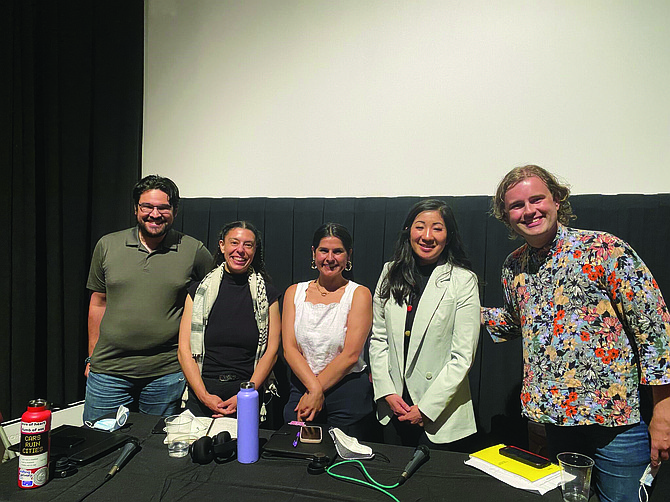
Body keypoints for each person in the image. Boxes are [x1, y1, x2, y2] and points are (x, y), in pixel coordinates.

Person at [481, 165, 670, 502]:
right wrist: (465, 312)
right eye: (517, 205)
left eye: (536, 199)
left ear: (556, 199)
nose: (529, 211)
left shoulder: (604, 249)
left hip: (617, 424)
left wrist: (663, 412)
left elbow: (655, 331)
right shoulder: (513, 266)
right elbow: (516, 321)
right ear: (506, 216)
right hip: (555, 423)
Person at [84, 175, 213, 423]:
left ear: (174, 210)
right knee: (98, 445)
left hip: (165, 374)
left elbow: (214, 296)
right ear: (136, 209)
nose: (155, 214)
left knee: (155, 451)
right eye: (147, 207)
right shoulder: (107, 245)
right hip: (108, 372)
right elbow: (98, 302)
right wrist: (92, 357)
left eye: (163, 207)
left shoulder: (193, 250)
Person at [369, 199, 481, 450]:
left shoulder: (463, 281)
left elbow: (462, 356)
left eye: (437, 228)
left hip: (439, 415)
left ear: (449, 235)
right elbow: (378, 339)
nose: (427, 236)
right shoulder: (390, 273)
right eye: (420, 227)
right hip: (394, 407)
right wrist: (386, 392)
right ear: (408, 230)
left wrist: (427, 408)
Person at [178, 221, 281, 418]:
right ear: (222, 246)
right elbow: (184, 350)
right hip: (202, 391)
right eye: (234, 243)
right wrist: (204, 396)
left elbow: (272, 351)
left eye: (248, 245)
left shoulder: (268, 296)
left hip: (247, 393)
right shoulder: (198, 292)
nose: (240, 250)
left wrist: (245, 395)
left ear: (255, 250)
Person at [282, 223, 375, 439]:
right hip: (303, 385)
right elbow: (289, 348)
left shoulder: (359, 294)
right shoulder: (294, 293)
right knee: (295, 452)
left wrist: (316, 391)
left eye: (338, 251)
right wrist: (313, 389)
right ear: (314, 253)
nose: (330, 258)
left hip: (347, 389)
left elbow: (351, 355)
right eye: (324, 251)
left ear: (348, 255)